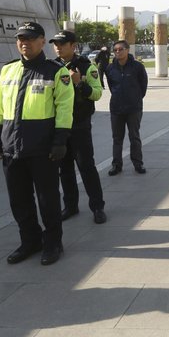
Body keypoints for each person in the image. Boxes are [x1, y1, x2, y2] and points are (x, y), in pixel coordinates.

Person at [0, 22, 74, 266]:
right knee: (19, 200)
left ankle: (53, 243)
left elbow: (65, 109)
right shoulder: (7, 71)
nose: (24, 42)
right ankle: (30, 241)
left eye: (30, 38)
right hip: (11, 148)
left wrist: (60, 141)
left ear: (41, 41)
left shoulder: (56, 71)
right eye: (20, 38)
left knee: (48, 200)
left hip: (43, 149)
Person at [50, 30, 106, 224]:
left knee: (86, 167)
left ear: (73, 46)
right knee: (64, 169)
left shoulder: (86, 66)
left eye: (62, 44)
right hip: (59, 127)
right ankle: (71, 206)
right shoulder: (52, 67)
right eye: (55, 44)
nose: (57, 47)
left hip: (80, 125)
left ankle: (97, 207)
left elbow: (97, 94)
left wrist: (80, 83)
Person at [106, 39, 148, 176]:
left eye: (120, 49)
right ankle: (116, 165)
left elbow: (143, 86)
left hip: (133, 108)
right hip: (116, 109)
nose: (117, 52)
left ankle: (138, 163)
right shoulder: (110, 68)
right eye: (115, 50)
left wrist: (134, 98)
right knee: (117, 138)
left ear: (127, 50)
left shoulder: (137, 67)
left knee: (134, 137)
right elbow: (112, 86)